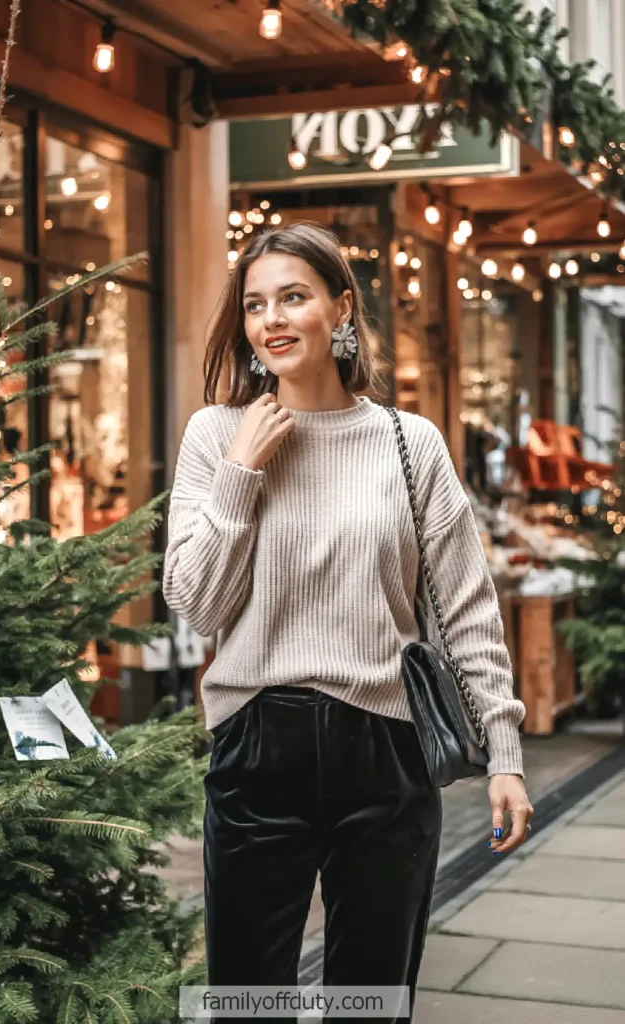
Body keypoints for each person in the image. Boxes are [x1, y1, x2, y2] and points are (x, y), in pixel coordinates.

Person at [163, 222, 533, 1021]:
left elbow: (465, 610)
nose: (272, 319)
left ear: (339, 307)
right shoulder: (215, 434)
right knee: (246, 999)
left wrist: (502, 750)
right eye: (256, 304)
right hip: (258, 745)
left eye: (293, 296)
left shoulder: (409, 442)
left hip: (387, 750)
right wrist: (239, 474)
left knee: (370, 1000)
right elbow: (196, 604)